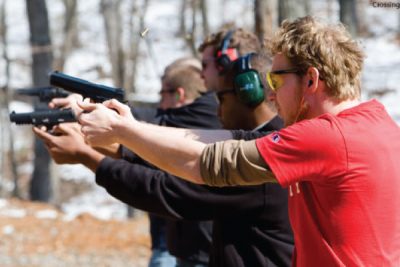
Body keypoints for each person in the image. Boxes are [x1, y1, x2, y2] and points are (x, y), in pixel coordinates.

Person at [75, 16, 400, 266]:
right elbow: (230, 140)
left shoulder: (327, 137)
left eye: (276, 79)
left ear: (312, 79)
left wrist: (123, 133)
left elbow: (211, 164)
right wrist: (129, 126)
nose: (270, 93)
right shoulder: (382, 125)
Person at [35, 29, 294, 266]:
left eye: (221, 98)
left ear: (249, 94)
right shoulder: (266, 142)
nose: (217, 109)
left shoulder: (261, 156)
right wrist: (119, 145)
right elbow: (175, 153)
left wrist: (88, 155)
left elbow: (170, 189)